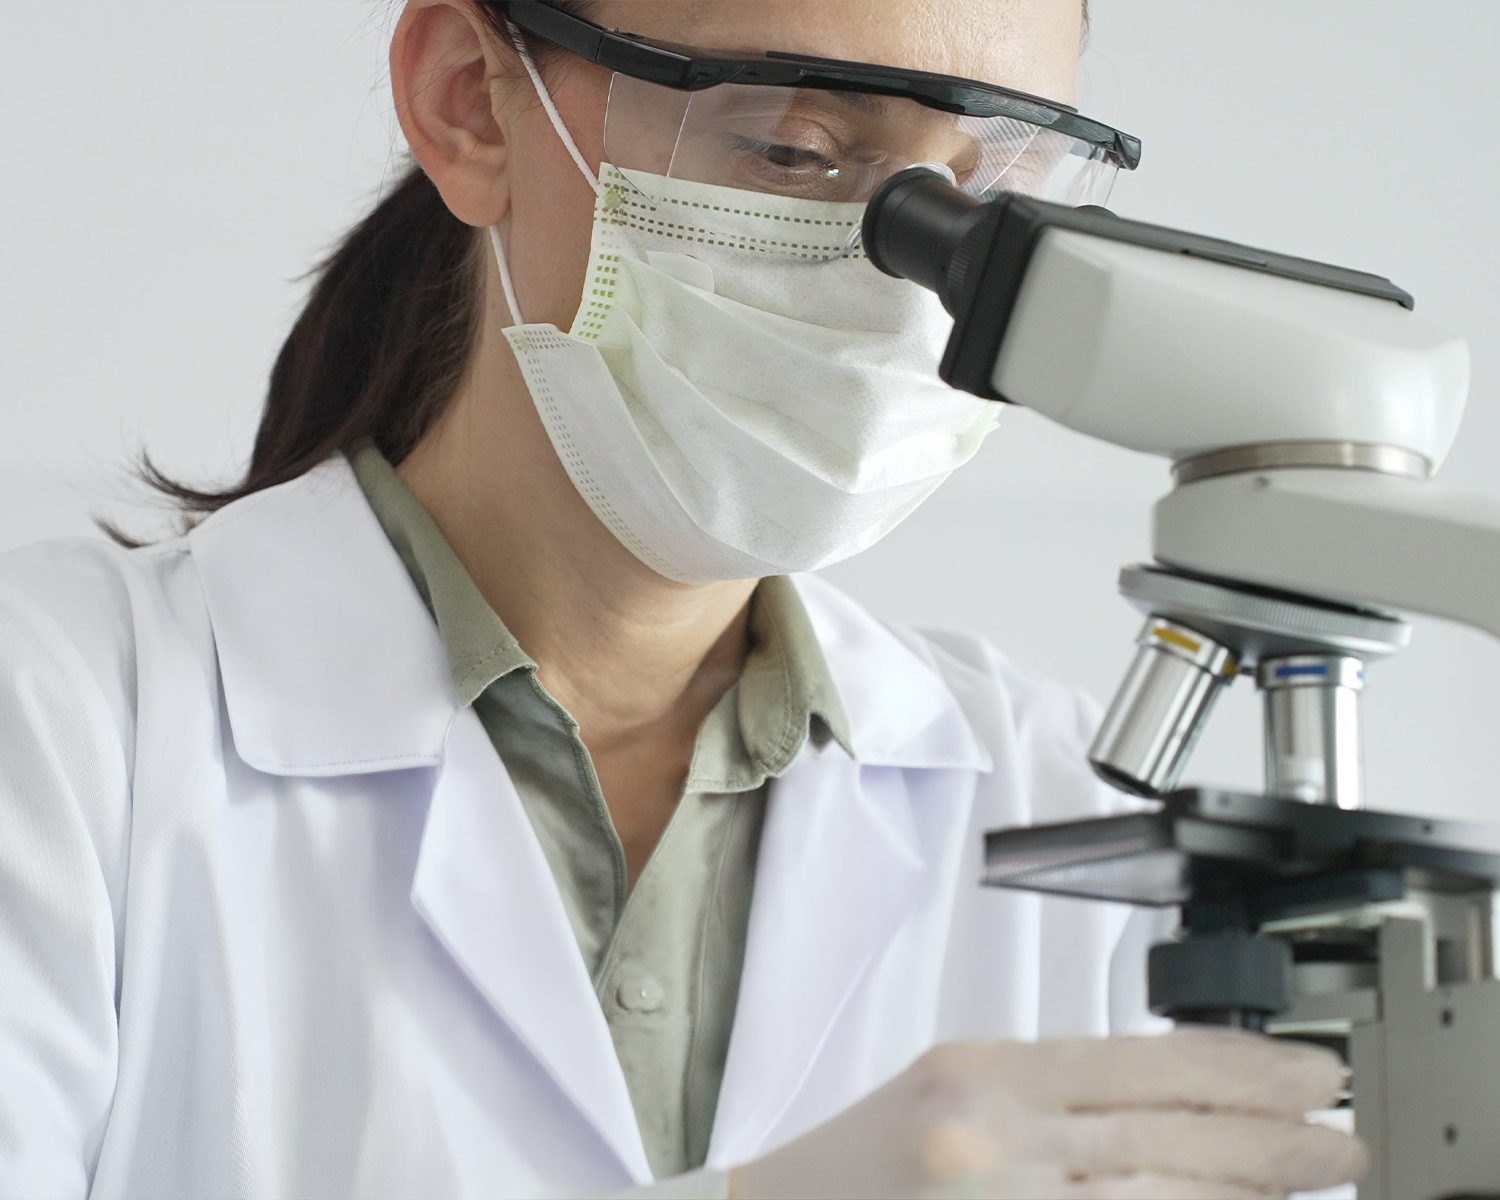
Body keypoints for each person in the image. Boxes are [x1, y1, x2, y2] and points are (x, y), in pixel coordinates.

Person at [0, 2, 1368, 1197]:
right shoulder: (65, 722)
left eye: (998, 194)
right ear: (470, 102)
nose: (906, 297)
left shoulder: (1058, 802)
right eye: (793, 147)